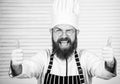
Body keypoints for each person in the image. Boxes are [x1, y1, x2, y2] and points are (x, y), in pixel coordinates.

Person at [9, 0, 117, 84]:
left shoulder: (85, 57)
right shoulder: (43, 57)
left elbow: (103, 72)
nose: (64, 36)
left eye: (69, 30)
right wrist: (16, 66)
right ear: (51, 32)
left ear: (77, 33)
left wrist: (110, 63)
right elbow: (27, 69)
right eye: (58, 30)